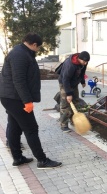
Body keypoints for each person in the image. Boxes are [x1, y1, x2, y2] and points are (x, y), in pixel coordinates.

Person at [0, 33, 62, 168]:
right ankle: (42, 160)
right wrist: (27, 101)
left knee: (15, 126)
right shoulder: (20, 55)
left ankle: (18, 158)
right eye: (38, 47)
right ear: (34, 44)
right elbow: (19, 80)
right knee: (31, 128)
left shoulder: (21, 51)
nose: (37, 50)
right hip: (16, 98)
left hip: (11, 97)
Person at [58, 51, 90, 132]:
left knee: (75, 101)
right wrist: (68, 94)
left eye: (87, 62)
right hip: (64, 83)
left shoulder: (83, 63)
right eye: (84, 61)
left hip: (74, 83)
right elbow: (65, 79)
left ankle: (74, 119)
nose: (85, 63)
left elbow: (82, 72)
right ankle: (63, 124)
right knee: (65, 104)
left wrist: (82, 81)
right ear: (79, 59)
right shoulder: (71, 65)